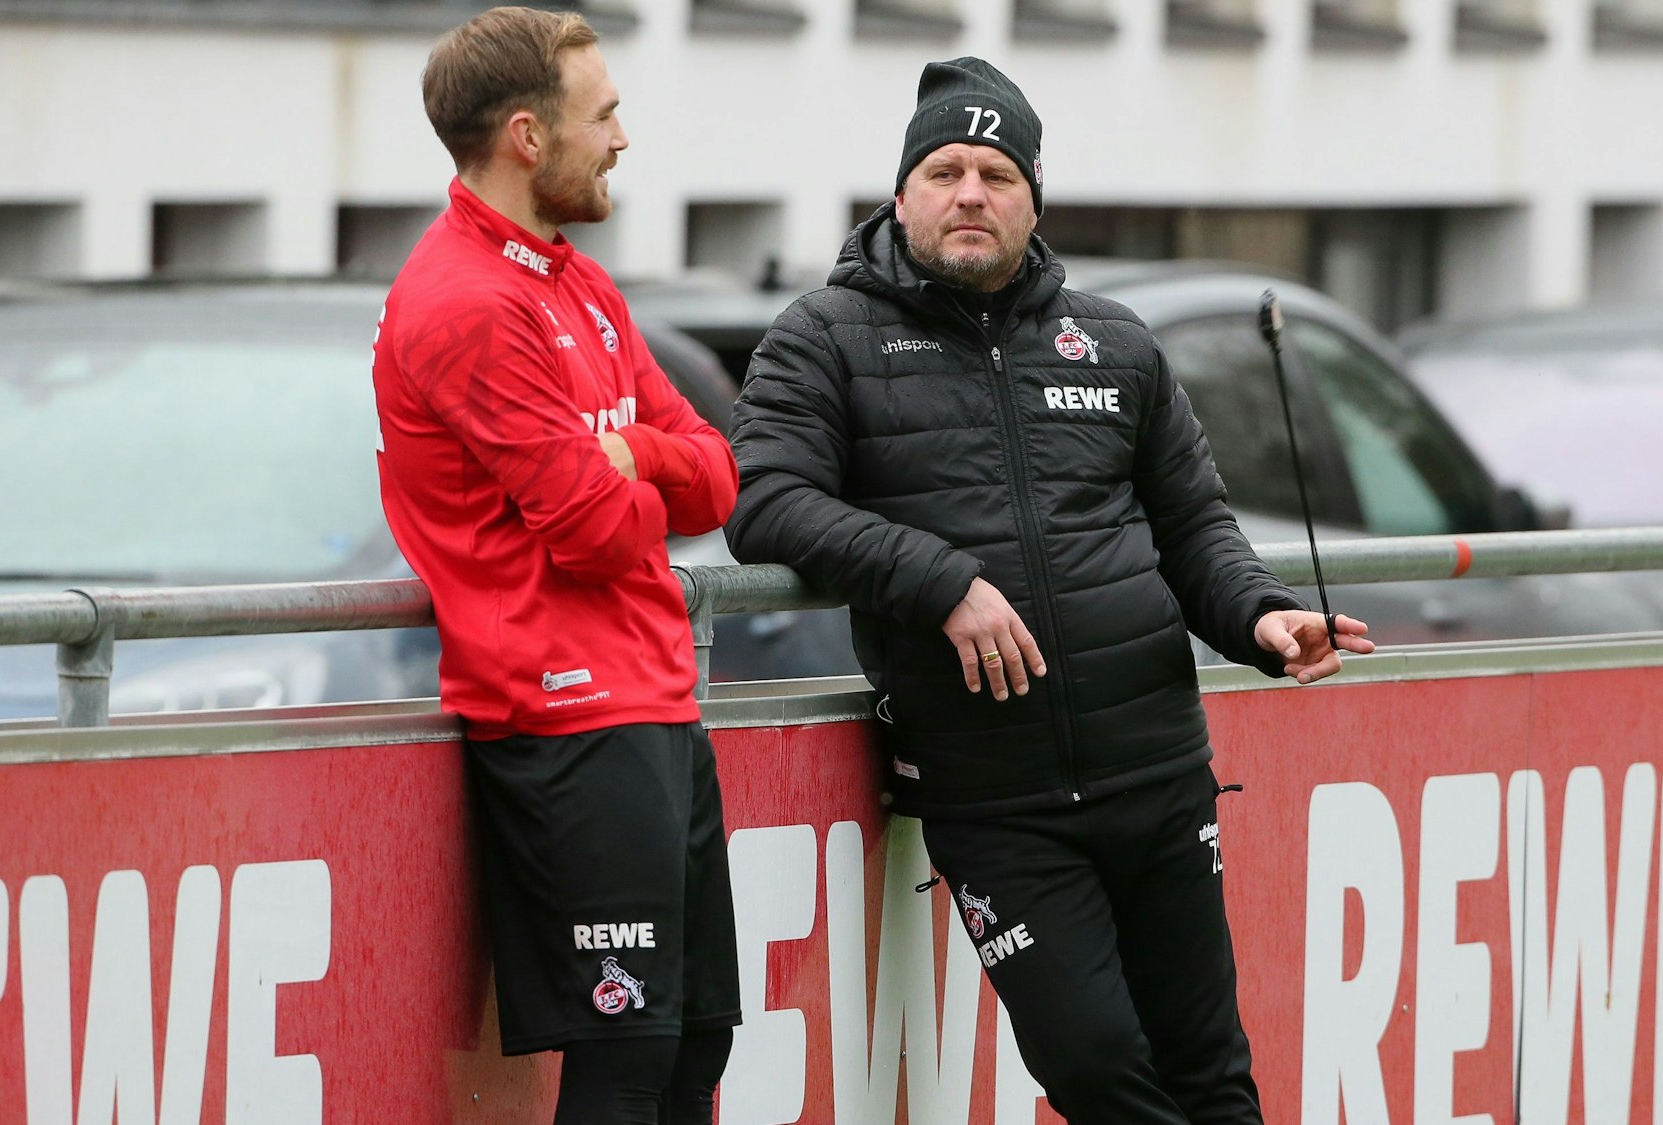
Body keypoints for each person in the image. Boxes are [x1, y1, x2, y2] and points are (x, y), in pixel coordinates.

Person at [726, 56, 1373, 1124]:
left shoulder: (1114, 341)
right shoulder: (823, 337)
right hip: (995, 799)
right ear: (900, 195)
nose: (969, 192)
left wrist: (1263, 617)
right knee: (1094, 1068)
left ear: (1033, 199)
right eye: (943, 169)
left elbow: (1194, 529)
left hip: (1158, 772)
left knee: (1208, 1070)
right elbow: (765, 503)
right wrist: (940, 582)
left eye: (995, 172)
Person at [370, 9, 740, 1123]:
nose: (621, 138)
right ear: (528, 138)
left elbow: (719, 477)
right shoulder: (467, 303)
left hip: (653, 697)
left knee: (694, 1045)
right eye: (606, 115)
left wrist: (630, 451)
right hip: (562, 717)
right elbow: (590, 528)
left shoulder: (574, 283)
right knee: (627, 1055)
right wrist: (633, 479)